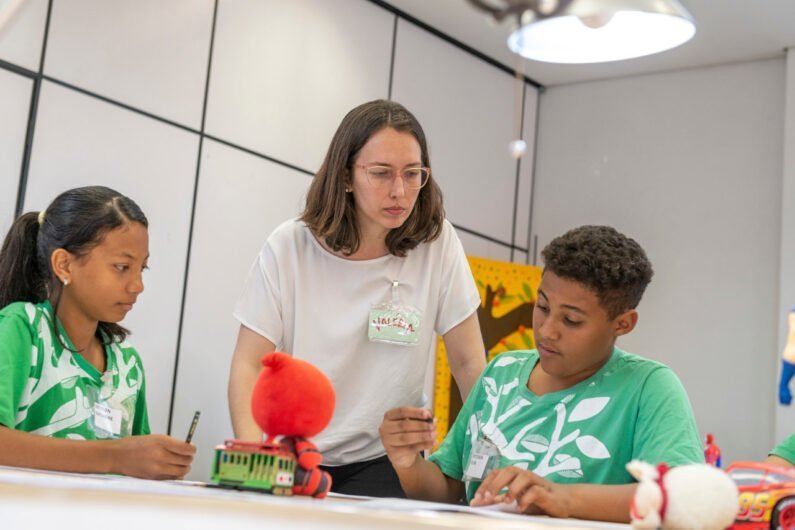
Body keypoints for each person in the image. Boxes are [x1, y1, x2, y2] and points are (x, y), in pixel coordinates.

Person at [229, 99, 486, 496]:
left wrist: (486, 457)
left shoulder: (436, 244)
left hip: (386, 458)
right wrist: (253, 456)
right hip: (297, 451)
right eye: (381, 173)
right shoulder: (290, 246)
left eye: (412, 174)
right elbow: (249, 364)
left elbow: (469, 364)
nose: (399, 191)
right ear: (346, 176)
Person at [379, 225, 704, 522]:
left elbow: (684, 498)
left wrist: (563, 499)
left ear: (623, 323)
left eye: (572, 320)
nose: (547, 331)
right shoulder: (500, 374)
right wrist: (408, 463)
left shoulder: (649, 388)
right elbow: (448, 491)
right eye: (543, 307)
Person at [0, 186, 195, 479]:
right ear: (64, 264)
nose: (137, 285)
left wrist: (158, 465)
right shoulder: (22, 328)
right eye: (122, 267)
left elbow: (133, 465)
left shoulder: (128, 364)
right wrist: (114, 457)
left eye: (143, 268)